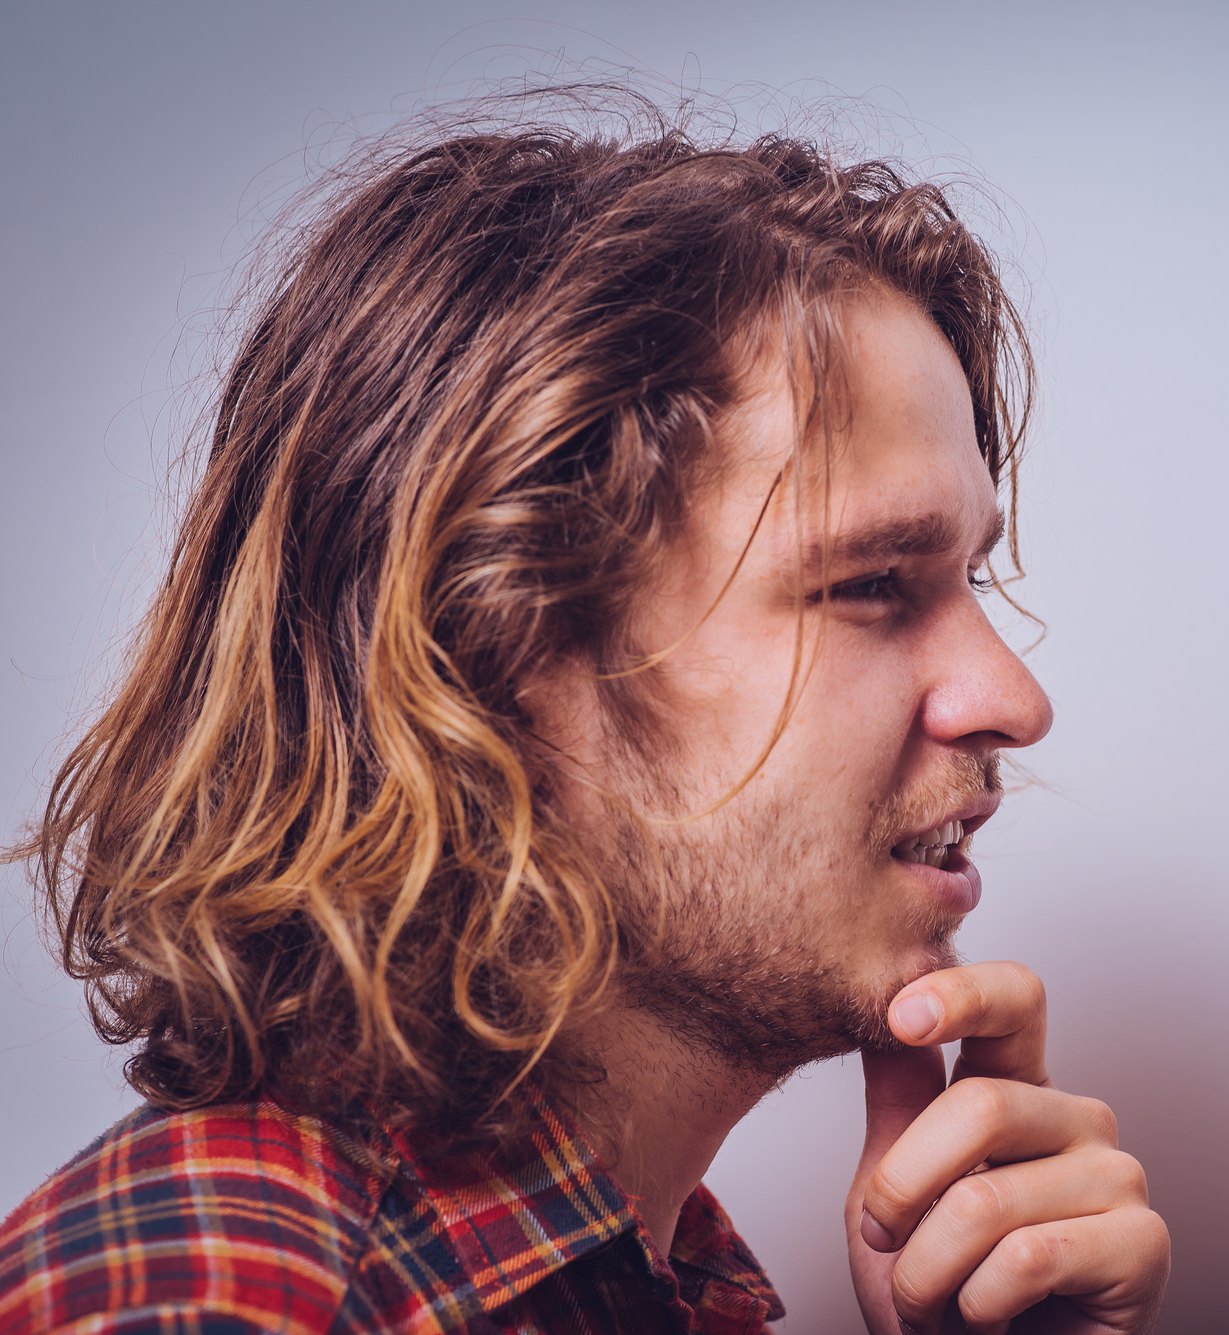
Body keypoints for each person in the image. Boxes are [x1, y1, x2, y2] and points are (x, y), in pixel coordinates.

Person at [0, 95, 1170, 1335]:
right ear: (493, 653)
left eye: (970, 578)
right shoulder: (225, 1306)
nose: (1014, 700)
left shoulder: (638, 1287)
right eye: (873, 585)